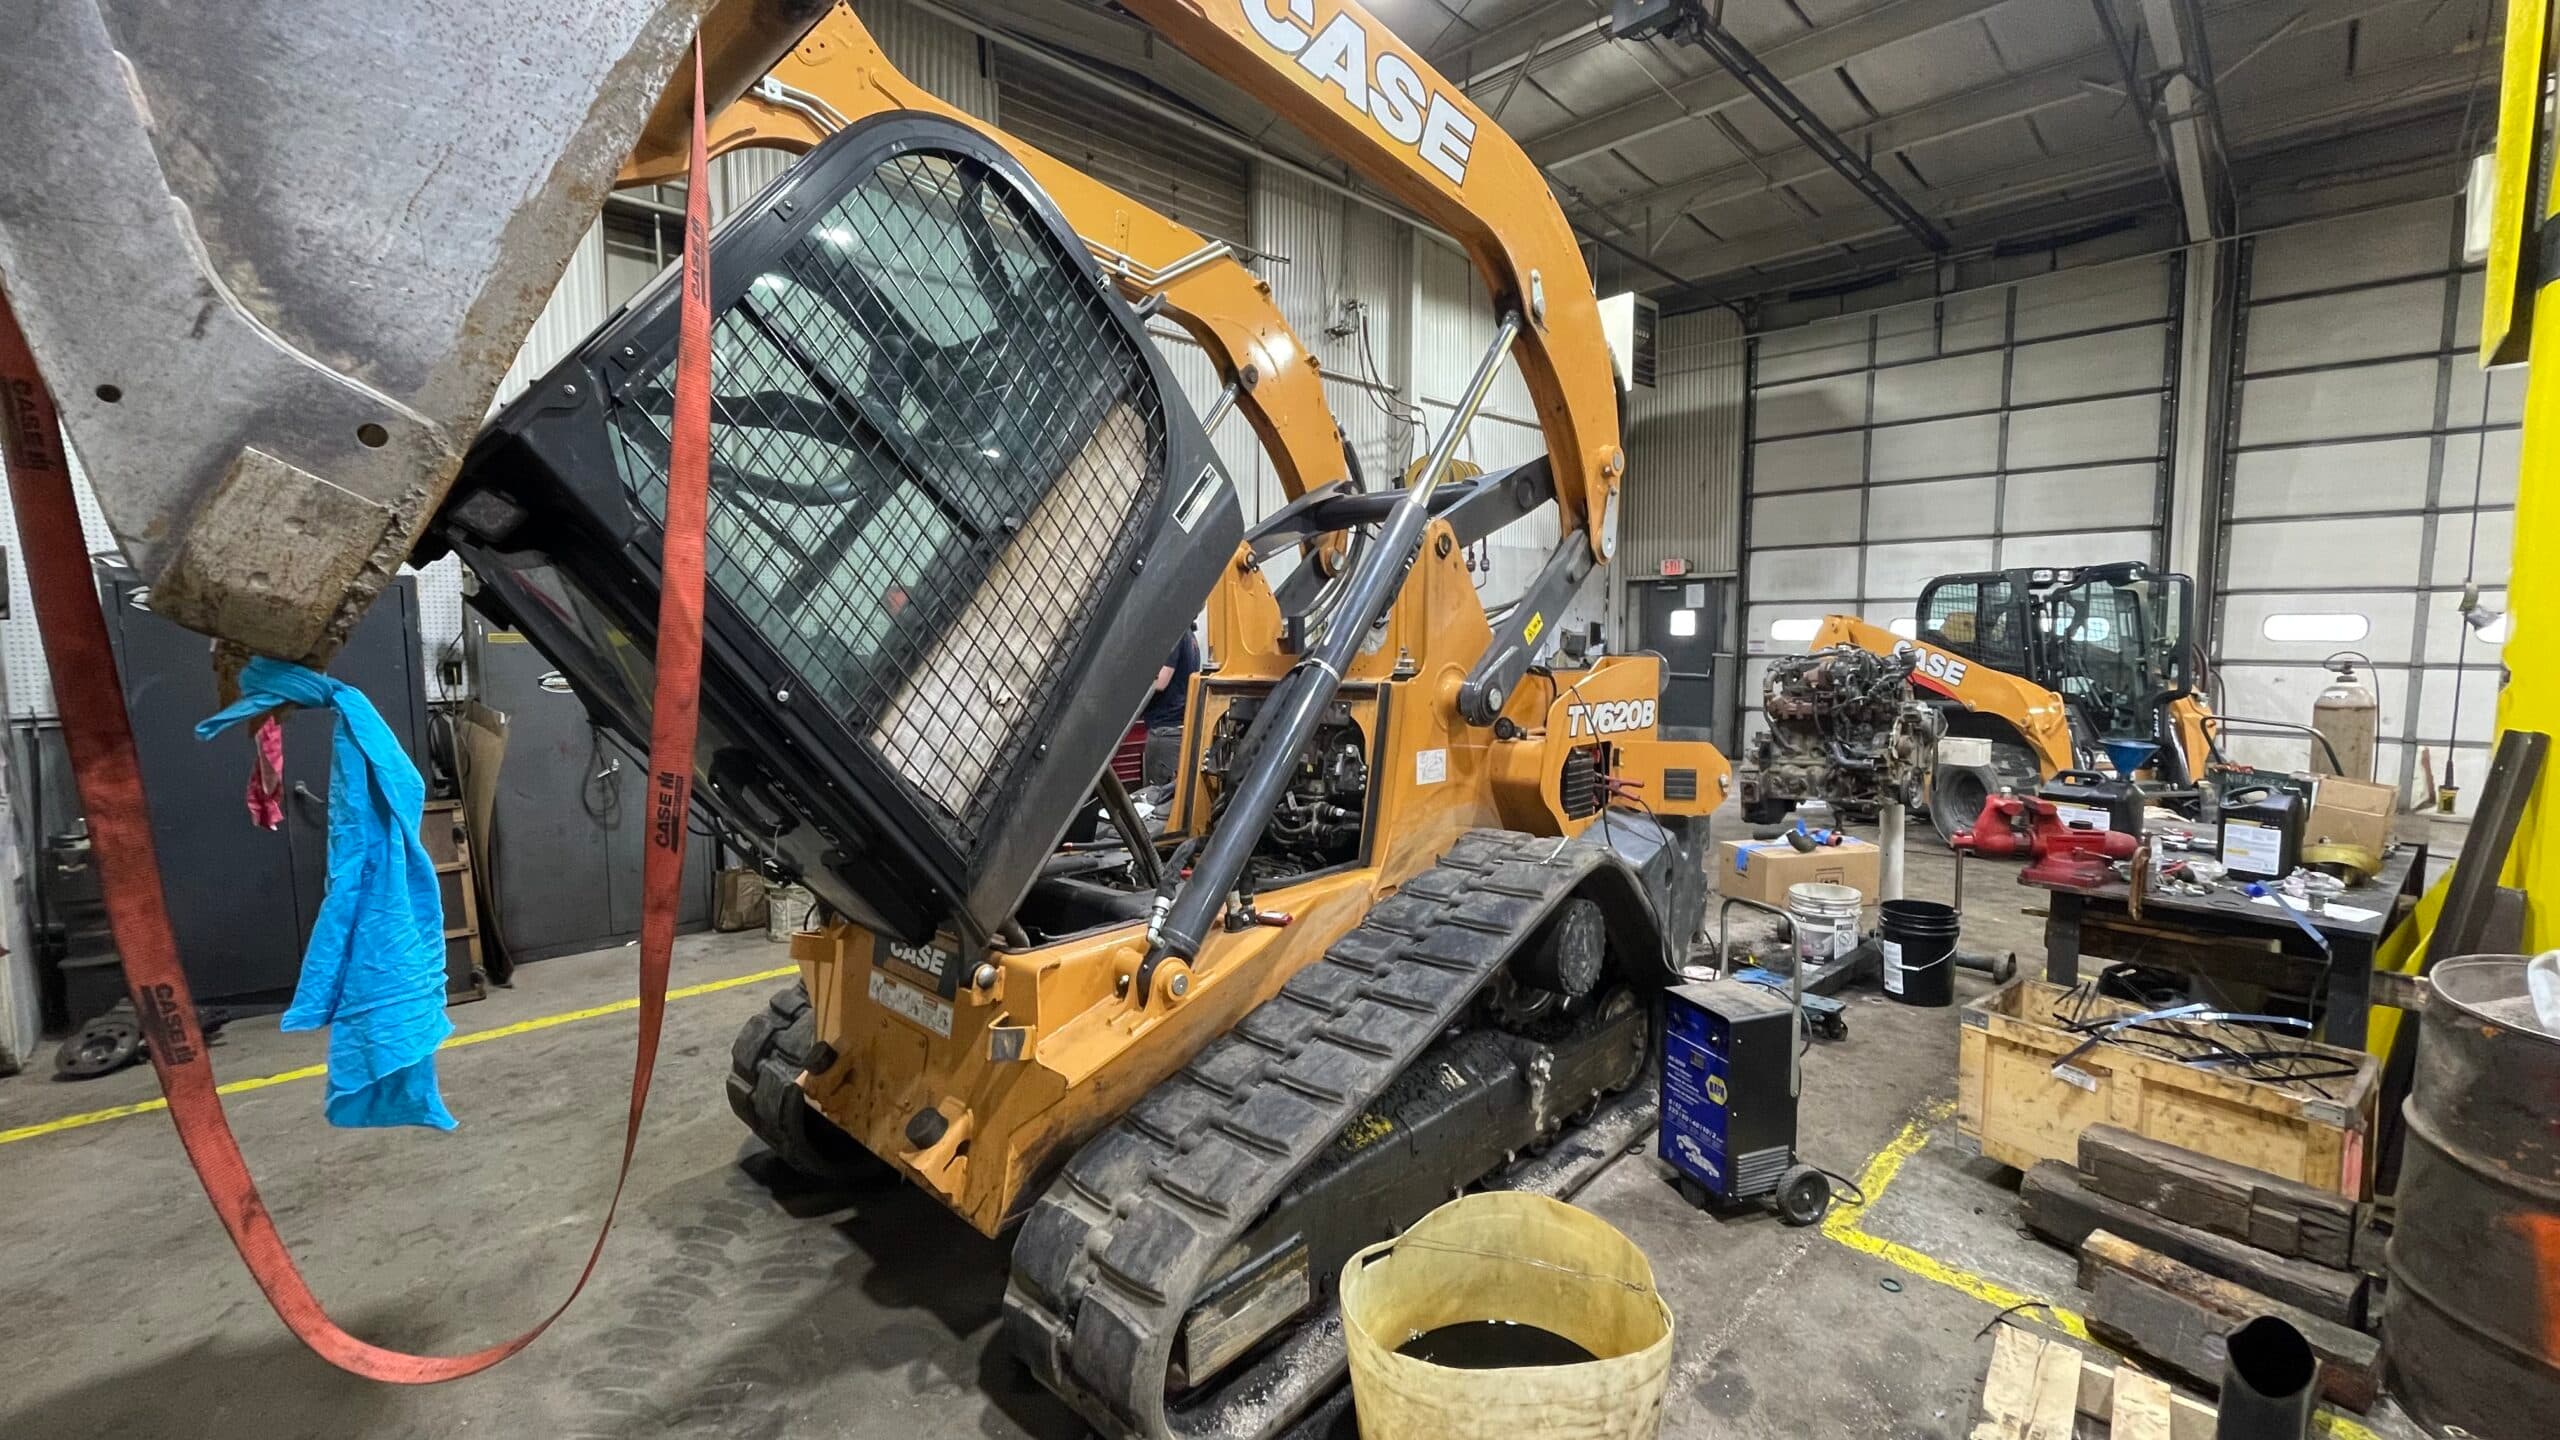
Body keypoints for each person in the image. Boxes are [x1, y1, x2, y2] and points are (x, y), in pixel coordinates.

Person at [1140, 627, 1199, 788]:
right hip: (1177, 728)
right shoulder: (1189, 635)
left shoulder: (1173, 634)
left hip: (1166, 732)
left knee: (1159, 797)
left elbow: (1160, 682)